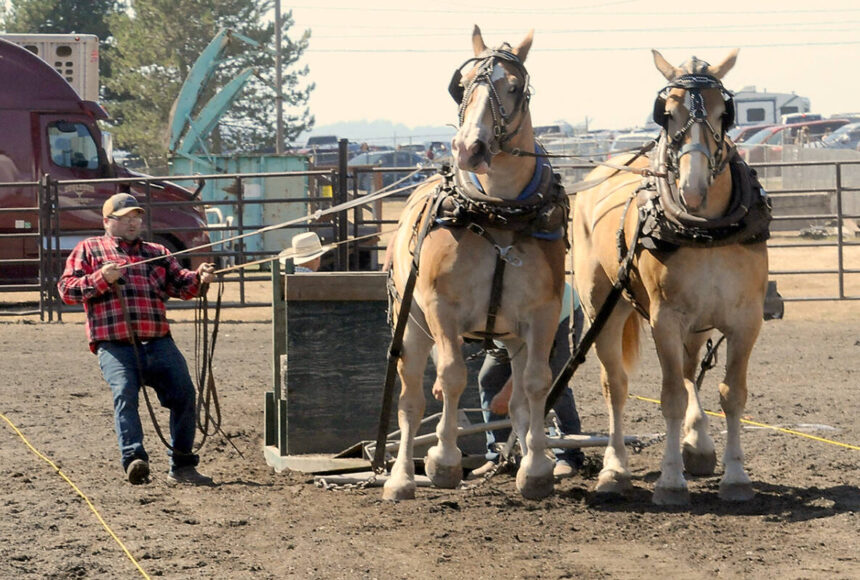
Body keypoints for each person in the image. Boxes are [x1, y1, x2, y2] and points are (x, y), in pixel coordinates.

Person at [57, 193, 216, 486]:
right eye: (125, 218)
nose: (133, 223)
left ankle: (182, 465)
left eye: (136, 217)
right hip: (114, 344)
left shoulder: (156, 252)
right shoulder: (89, 249)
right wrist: (101, 278)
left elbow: (182, 284)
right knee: (125, 393)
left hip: (157, 340)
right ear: (107, 222)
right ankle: (134, 459)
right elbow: (66, 290)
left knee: (184, 394)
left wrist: (199, 278)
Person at [469, 282, 586, 480]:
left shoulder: (523, 288)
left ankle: (567, 456)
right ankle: (499, 454)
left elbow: (534, 363)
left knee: (550, 384)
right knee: (489, 379)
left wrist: (507, 393)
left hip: (556, 320)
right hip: (506, 334)